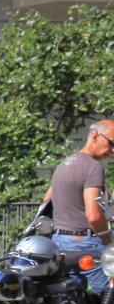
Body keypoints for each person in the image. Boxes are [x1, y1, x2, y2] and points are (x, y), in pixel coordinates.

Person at [44, 118, 114, 293]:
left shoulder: (65, 164)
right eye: (111, 143)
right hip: (85, 244)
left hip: (60, 243)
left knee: (72, 296)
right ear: (95, 136)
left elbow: (47, 201)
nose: (112, 150)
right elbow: (93, 216)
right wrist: (108, 243)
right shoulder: (92, 167)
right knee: (109, 294)